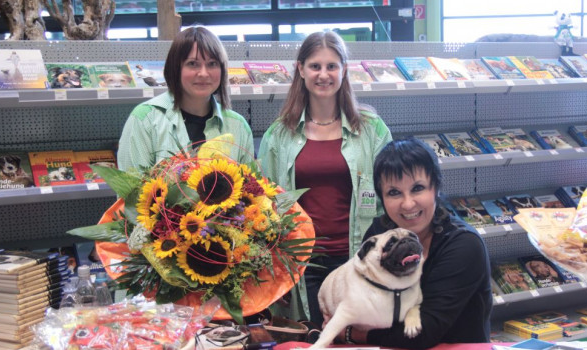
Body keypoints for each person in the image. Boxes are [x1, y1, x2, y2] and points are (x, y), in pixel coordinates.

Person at [257, 31, 392, 327]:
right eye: (315, 66)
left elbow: (389, 197)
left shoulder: (372, 130)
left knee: (361, 339)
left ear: (344, 71)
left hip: (360, 259)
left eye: (332, 66)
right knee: (316, 336)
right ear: (301, 69)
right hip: (304, 264)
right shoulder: (278, 136)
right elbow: (264, 207)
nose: (323, 74)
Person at [345, 138, 492, 348]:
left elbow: (423, 332)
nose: (407, 203)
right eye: (394, 192)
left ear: (436, 188)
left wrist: (353, 334)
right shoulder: (379, 232)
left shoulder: (464, 245)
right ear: (382, 198)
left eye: (417, 188)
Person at [118, 26, 254, 171]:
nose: (203, 73)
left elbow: (253, 189)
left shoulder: (238, 125)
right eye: (192, 64)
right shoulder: (145, 120)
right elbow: (130, 190)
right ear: (175, 68)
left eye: (212, 64)